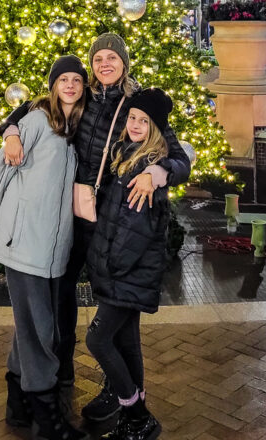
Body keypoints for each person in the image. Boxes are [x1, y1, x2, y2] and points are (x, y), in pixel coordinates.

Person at [0, 33, 191, 422]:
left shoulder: (135, 103)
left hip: (112, 221)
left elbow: (180, 157)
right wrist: (11, 132)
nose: (105, 64)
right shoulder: (81, 95)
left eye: (112, 58)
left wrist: (158, 171)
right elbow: (24, 110)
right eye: (98, 58)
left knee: (116, 309)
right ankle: (61, 369)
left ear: (124, 62)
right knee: (60, 296)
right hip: (73, 214)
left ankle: (118, 391)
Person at [0, 55, 90, 440]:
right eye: (62, 79)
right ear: (52, 85)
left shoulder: (78, 127)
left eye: (76, 80)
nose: (69, 85)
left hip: (54, 248)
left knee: (30, 328)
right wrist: (7, 223)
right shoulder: (33, 121)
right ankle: (47, 422)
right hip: (26, 244)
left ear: (83, 87)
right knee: (40, 330)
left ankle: (18, 405)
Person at [85, 88, 175, 440]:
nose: (136, 124)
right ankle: (134, 418)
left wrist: (111, 266)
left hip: (126, 272)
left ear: (156, 128)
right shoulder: (127, 153)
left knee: (98, 339)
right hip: (124, 271)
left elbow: (135, 229)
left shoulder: (146, 168)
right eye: (133, 118)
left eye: (144, 121)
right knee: (127, 341)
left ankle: (136, 414)